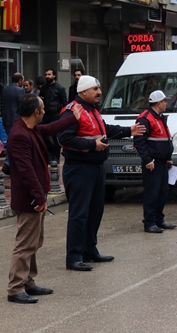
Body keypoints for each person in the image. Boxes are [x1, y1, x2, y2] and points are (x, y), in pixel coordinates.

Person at [57, 75, 144, 271]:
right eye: (95, 89)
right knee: (79, 214)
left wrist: (128, 130)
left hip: (96, 168)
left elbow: (104, 130)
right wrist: (92, 145)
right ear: (83, 92)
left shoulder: (92, 110)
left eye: (99, 88)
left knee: (95, 211)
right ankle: (74, 257)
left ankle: (89, 249)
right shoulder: (72, 111)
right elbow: (64, 138)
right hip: (80, 169)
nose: (99, 92)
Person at [6, 95, 83, 304]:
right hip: (29, 199)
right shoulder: (20, 135)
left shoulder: (31, 129)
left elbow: (50, 128)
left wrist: (73, 118)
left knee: (34, 242)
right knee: (24, 244)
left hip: (36, 197)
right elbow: (26, 171)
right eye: (42, 107)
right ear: (36, 112)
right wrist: (40, 197)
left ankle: (28, 282)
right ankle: (15, 288)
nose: (44, 112)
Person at [134, 90, 177, 233]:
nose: (166, 104)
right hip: (152, 163)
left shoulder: (159, 117)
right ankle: (149, 222)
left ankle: (159, 219)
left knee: (163, 192)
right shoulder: (145, 119)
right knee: (152, 193)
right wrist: (147, 160)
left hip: (162, 161)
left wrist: (168, 158)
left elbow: (163, 139)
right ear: (159, 103)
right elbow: (139, 142)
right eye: (165, 101)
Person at [40, 69, 68, 163]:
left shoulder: (60, 88)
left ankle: (56, 156)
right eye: (46, 74)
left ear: (54, 75)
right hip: (45, 115)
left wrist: (63, 116)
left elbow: (65, 103)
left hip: (56, 115)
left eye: (49, 74)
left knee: (56, 137)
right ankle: (50, 152)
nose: (47, 76)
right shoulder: (44, 88)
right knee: (43, 135)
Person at [1, 73, 25, 175]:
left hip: (6, 119)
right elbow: (22, 105)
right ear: (20, 80)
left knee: (12, 142)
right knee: (16, 143)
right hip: (15, 120)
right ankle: (8, 164)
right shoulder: (20, 90)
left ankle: (9, 164)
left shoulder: (5, 89)